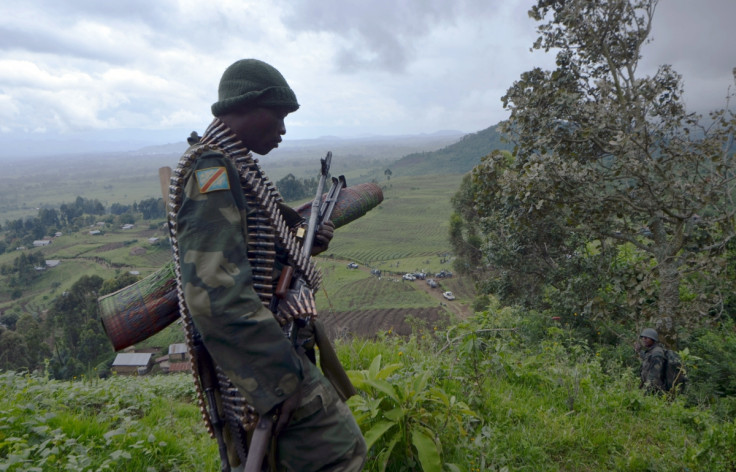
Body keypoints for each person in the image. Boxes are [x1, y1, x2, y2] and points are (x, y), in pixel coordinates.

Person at [169, 59, 366, 471]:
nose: (282, 129)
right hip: (263, 363)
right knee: (340, 452)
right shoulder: (212, 171)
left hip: (269, 348)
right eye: (277, 115)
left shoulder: (232, 165)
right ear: (247, 104)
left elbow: (248, 254)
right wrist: (282, 380)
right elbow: (215, 295)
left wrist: (299, 249)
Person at [635, 327, 666, 393]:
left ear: (653, 339)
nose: (644, 339)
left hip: (655, 391)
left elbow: (654, 377)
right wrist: (639, 351)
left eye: (646, 338)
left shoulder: (657, 354)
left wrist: (646, 392)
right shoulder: (651, 351)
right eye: (643, 337)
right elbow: (647, 359)